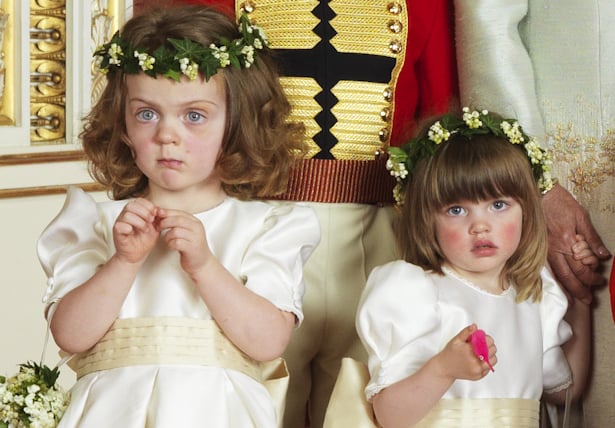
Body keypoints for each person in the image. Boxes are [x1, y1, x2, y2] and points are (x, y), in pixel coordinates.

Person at [161, 1, 459, 426]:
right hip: (260, 232)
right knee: (256, 391)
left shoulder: (423, 6)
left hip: (382, 235)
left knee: (363, 399)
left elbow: (440, 117)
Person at [36, 5, 320, 428]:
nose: (167, 135)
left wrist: (204, 266)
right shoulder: (94, 222)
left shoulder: (267, 227)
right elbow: (71, 335)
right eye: (146, 114)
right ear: (123, 126)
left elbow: (267, 343)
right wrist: (123, 261)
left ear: (237, 123)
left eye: (194, 116)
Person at [355, 108, 594, 427]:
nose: (480, 226)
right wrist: (443, 369)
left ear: (526, 211)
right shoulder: (416, 291)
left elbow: (566, 390)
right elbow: (389, 416)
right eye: (456, 210)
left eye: (498, 205)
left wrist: (580, 299)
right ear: (427, 219)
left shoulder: (532, 296)